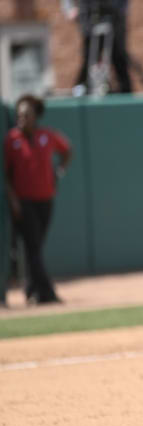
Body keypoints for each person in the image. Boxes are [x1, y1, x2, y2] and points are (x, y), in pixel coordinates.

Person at [3, 94, 72, 305]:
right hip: (24, 201)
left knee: (36, 247)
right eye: (20, 115)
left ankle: (32, 290)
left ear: (35, 116)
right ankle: (47, 292)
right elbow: (6, 174)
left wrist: (60, 170)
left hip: (46, 199)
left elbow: (67, 149)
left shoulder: (46, 135)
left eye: (26, 115)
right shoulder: (12, 139)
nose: (22, 119)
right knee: (33, 245)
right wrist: (13, 199)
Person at [63, 0, 133, 94]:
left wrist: (122, 9)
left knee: (119, 57)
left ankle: (125, 92)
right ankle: (81, 88)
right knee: (89, 57)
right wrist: (69, 9)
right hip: (90, 15)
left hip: (115, 16)